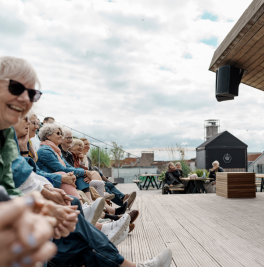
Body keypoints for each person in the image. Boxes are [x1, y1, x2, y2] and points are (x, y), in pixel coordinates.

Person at [0, 56, 173, 267]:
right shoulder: (39, 148)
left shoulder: (7, 135)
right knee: (74, 219)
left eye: (33, 94)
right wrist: (43, 200)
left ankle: (109, 227)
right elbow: (24, 178)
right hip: (35, 203)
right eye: (17, 88)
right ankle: (106, 226)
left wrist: (45, 194)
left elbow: (19, 173)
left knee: (77, 235)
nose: (25, 100)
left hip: (40, 198)